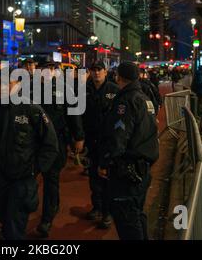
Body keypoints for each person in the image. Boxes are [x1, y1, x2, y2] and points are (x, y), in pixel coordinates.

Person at [0, 69, 59, 240]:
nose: (0, 86)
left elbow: (51, 145)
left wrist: (34, 170)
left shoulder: (32, 109)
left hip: (22, 179)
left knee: (14, 224)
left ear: (18, 84)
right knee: (4, 217)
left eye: (6, 82)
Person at [98, 61, 159, 240]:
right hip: (142, 168)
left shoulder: (125, 100)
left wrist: (105, 162)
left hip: (128, 170)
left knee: (128, 220)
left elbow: (119, 137)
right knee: (137, 214)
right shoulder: (144, 98)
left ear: (119, 77)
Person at [35, 60, 85, 238]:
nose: (46, 73)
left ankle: (47, 217)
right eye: (42, 69)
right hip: (33, 144)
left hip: (56, 142)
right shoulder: (28, 89)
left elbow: (73, 113)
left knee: (51, 179)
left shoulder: (64, 89)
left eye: (49, 70)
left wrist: (78, 137)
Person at [82, 61, 120, 229]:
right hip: (91, 140)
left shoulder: (114, 89)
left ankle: (107, 211)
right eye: (94, 70)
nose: (96, 73)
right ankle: (96, 207)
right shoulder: (84, 89)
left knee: (107, 177)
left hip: (108, 141)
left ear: (105, 72)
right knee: (93, 175)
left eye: (99, 70)